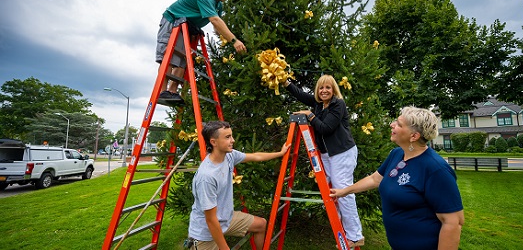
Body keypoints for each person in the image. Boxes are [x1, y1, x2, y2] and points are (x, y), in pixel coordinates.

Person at [330, 106, 465, 250]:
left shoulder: (436, 169)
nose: (392, 124)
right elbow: (375, 179)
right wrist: (344, 191)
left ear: (414, 136)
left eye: (399, 124)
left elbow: (453, 222)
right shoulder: (397, 154)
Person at [283, 75, 364, 247]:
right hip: (327, 154)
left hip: (342, 152)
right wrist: (285, 82)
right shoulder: (319, 104)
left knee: (343, 191)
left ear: (334, 89)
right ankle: (343, 228)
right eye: (321, 88)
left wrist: (310, 116)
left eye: (328, 87)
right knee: (332, 192)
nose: (324, 91)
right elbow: (301, 95)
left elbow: (326, 128)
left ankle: (355, 235)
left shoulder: (338, 105)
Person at [187, 120, 290, 250]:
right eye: (227, 137)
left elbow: (256, 156)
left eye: (231, 136)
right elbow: (211, 221)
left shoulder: (229, 156)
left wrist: (280, 153)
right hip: (206, 234)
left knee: (261, 224)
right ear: (214, 142)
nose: (233, 140)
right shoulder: (207, 176)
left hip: (226, 219)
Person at [156, 0, 247, 101]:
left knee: (182, 60)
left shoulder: (218, 5)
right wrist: (234, 41)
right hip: (172, 21)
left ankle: (172, 92)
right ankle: (162, 91)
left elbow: (217, 26)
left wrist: (224, 39)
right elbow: (214, 20)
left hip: (186, 27)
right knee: (168, 56)